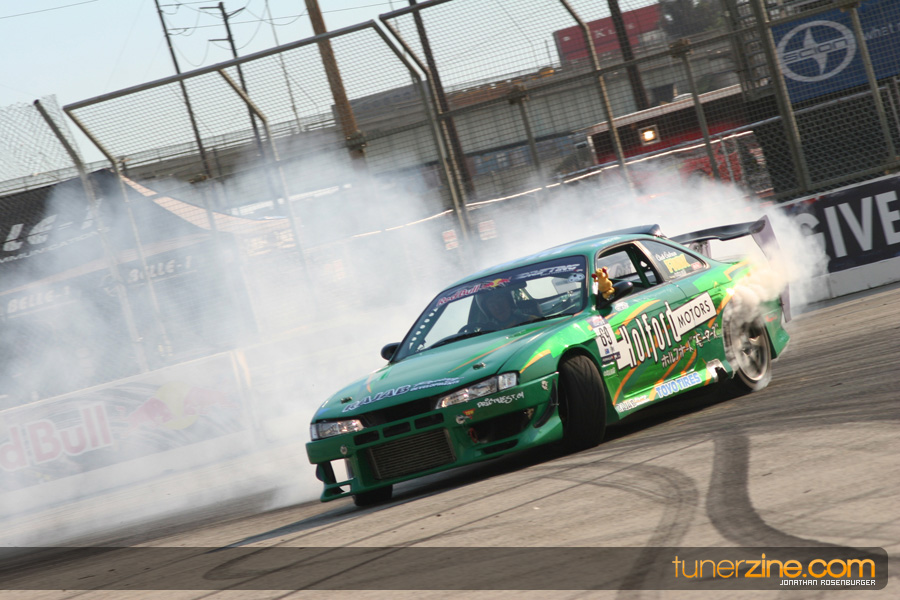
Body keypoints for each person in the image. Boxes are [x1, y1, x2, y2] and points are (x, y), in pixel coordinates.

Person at [474, 288, 539, 330]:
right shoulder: (485, 333)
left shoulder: (530, 321)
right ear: (487, 310)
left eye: (500, 300)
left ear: (509, 301)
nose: (497, 307)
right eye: (491, 303)